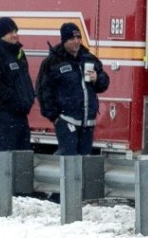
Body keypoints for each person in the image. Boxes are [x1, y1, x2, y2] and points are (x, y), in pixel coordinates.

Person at [36, 22, 112, 173]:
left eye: (78, 37)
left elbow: (103, 84)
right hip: (66, 120)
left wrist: (98, 78)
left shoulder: (89, 59)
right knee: (69, 158)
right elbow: (43, 91)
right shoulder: (53, 62)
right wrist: (55, 117)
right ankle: (59, 194)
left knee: (84, 161)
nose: (76, 41)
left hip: (87, 122)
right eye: (72, 38)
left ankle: (78, 194)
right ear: (64, 40)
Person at [0, 19, 35, 152]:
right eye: (10, 32)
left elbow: (24, 81)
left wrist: (29, 98)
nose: (15, 35)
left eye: (16, 31)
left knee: (22, 159)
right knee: (6, 160)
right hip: (5, 116)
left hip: (21, 116)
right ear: (1, 34)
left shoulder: (19, 54)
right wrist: (13, 99)